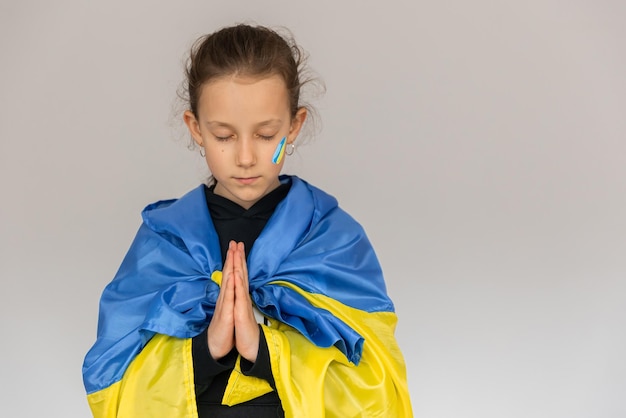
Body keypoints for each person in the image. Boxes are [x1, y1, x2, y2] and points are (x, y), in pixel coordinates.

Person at [82, 23, 413, 418]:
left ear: (294, 125)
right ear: (195, 129)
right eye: (223, 135)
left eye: (265, 134)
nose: (244, 157)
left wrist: (264, 350)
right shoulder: (166, 242)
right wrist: (208, 350)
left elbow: (378, 386)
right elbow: (113, 384)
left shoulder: (332, 240)